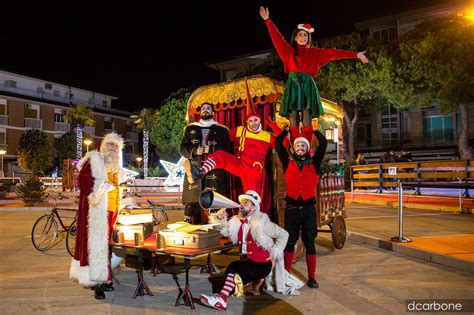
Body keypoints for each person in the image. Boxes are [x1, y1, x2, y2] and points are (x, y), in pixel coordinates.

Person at [259, 6, 369, 127]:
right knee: (293, 118)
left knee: (307, 118)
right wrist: (267, 20)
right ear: (295, 38)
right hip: (293, 86)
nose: (302, 37)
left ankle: (307, 144)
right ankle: (295, 143)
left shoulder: (316, 53)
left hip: (307, 86)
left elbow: (334, 53)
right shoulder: (287, 51)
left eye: (305, 35)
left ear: (308, 38)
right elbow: (277, 39)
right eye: (300, 34)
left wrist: (356, 54)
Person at [199, 190, 289, 311]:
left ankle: (221, 298)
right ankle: (221, 299)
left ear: (253, 208)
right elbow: (225, 232)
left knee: (233, 266)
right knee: (231, 277)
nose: (241, 205)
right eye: (241, 202)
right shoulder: (236, 221)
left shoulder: (263, 222)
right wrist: (221, 220)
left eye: (245, 202)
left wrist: (274, 254)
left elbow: (284, 234)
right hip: (249, 264)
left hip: (262, 265)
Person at [190, 83, 274, 198]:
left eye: (255, 120)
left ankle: (250, 213)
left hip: (253, 170)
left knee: (251, 198)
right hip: (239, 163)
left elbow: (283, 144)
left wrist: (277, 129)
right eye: (250, 120)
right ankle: (201, 172)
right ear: (247, 122)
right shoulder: (239, 130)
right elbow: (223, 139)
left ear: (259, 120)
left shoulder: (267, 136)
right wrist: (208, 129)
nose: (253, 123)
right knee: (220, 155)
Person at [70, 133, 127, 300]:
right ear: (103, 145)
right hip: (96, 213)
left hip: (112, 213)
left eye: (116, 146)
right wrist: (103, 186)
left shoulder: (117, 168)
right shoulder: (93, 160)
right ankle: (97, 284)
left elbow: (119, 190)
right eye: (110, 144)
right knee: (96, 249)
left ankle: (105, 278)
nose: (113, 148)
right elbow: (84, 182)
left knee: (106, 249)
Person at [275, 125, 327, 288]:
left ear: (307, 148)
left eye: (303, 145)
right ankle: (286, 275)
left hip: (309, 210)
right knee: (290, 243)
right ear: (293, 147)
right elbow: (278, 144)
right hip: (291, 209)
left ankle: (312, 277)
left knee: (310, 242)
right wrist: (285, 131)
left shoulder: (315, 163)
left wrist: (316, 131)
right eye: (297, 145)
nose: (300, 147)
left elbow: (323, 144)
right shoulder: (287, 162)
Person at [180, 102, 231, 224]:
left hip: (215, 168)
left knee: (215, 198)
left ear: (212, 112)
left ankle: (218, 228)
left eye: (208, 108)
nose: (205, 110)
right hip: (194, 168)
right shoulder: (190, 128)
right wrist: (194, 151)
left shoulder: (222, 129)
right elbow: (182, 148)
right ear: (200, 112)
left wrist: (213, 149)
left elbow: (228, 149)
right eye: (203, 108)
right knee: (192, 199)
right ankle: (189, 226)